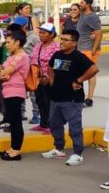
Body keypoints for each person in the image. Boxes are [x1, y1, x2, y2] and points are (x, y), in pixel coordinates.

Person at [41, 29, 99, 166]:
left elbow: (94, 69)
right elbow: (50, 67)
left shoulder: (78, 57)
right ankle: (59, 149)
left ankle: (78, 154)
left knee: (74, 128)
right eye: (61, 39)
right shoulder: (57, 54)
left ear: (74, 43)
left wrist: (79, 80)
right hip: (56, 98)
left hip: (72, 99)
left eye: (66, 40)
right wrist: (51, 80)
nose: (62, 42)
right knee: (55, 125)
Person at [0, 31, 29, 161]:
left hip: (15, 92)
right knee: (12, 121)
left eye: (9, 42)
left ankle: (15, 151)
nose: (6, 45)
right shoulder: (12, 56)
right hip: (8, 91)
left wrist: (4, 74)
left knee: (16, 122)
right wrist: (3, 74)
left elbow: (5, 72)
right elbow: (1, 73)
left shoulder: (21, 57)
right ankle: (12, 148)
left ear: (17, 42)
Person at [30, 23, 60, 135]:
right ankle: (43, 124)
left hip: (50, 80)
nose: (41, 35)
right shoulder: (38, 45)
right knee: (40, 101)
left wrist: (48, 77)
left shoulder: (57, 47)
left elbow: (58, 64)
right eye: (40, 33)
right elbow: (33, 59)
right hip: (37, 78)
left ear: (52, 35)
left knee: (49, 102)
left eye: (44, 33)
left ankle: (50, 125)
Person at [76, 0, 102, 107]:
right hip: (81, 48)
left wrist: (93, 50)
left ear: (88, 4)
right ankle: (79, 97)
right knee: (80, 73)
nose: (80, 4)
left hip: (89, 49)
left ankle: (89, 99)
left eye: (82, 2)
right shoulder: (82, 14)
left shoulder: (92, 17)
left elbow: (99, 33)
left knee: (90, 73)